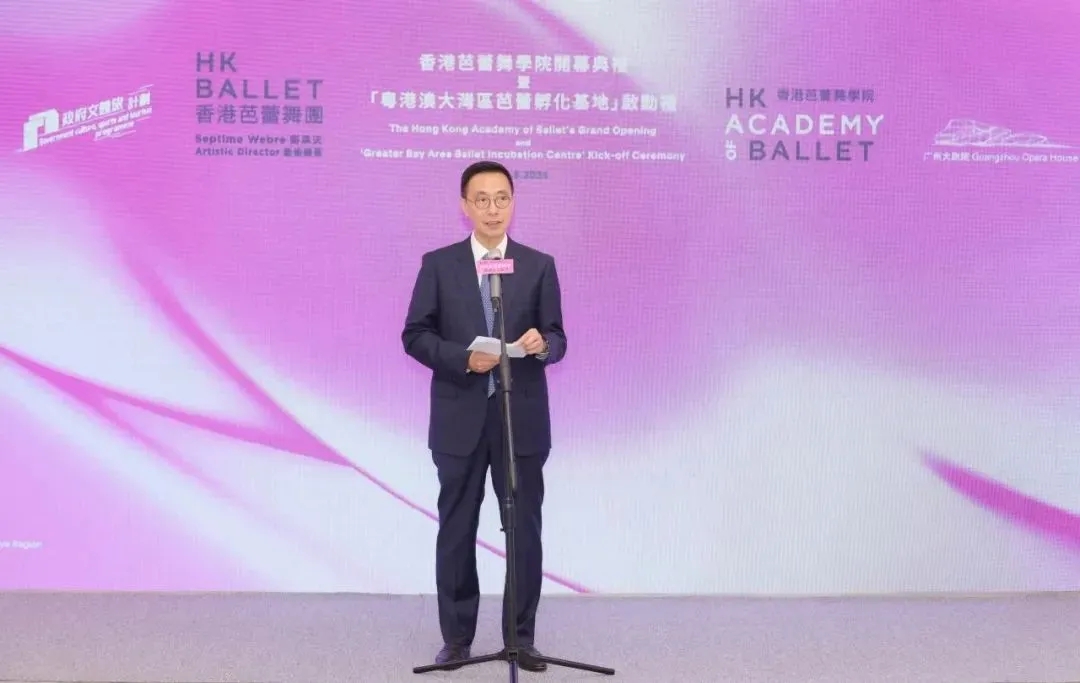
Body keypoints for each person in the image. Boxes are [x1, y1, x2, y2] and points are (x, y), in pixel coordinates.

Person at [401, 160, 566, 672]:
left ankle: (521, 638)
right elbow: (415, 335)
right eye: (482, 199)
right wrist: (462, 358)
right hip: (459, 419)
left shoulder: (538, 265)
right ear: (465, 206)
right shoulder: (439, 265)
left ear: (513, 203)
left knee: (523, 529)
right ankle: (456, 639)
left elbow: (558, 337)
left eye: (502, 198)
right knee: (457, 527)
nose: (493, 209)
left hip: (520, 419)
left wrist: (542, 345)